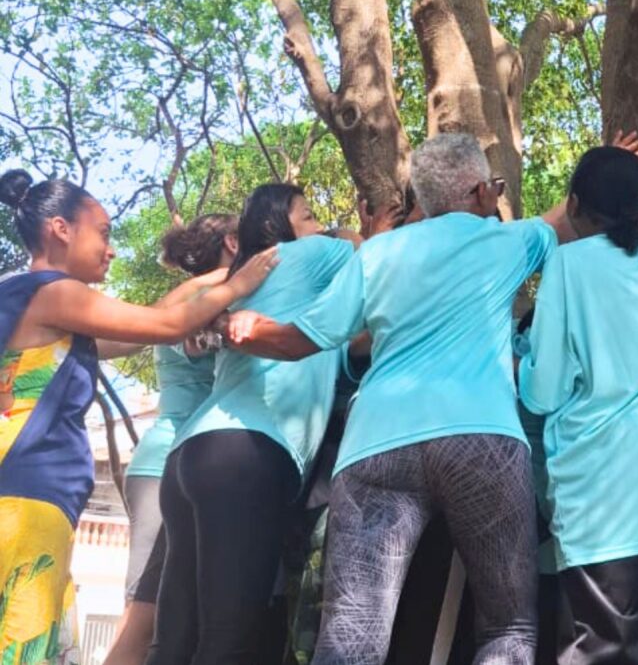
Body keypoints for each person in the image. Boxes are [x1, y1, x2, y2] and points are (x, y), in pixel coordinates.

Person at [227, 133, 560, 665]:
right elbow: (571, 217)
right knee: (508, 626)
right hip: (481, 438)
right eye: (495, 189)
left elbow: (298, 340)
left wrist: (244, 328)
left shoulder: (378, 252)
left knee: (352, 630)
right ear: (480, 192)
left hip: (376, 447)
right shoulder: (510, 241)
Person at [0, 169, 275, 662]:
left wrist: (213, 279)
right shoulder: (57, 292)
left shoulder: (20, 294)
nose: (111, 250)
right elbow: (166, 324)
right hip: (29, 493)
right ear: (61, 229)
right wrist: (239, 284)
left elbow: (138, 333)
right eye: (103, 233)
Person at [143, 184, 393, 665]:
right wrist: (362, 232)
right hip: (247, 455)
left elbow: (349, 343)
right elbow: (363, 250)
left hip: (190, 457)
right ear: (278, 225)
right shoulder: (306, 254)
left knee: (174, 641)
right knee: (228, 643)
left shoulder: (267, 286)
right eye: (309, 215)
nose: (319, 225)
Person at [517, 146, 638, 664]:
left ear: (573, 204)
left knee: (603, 650)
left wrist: (518, 364)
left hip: (602, 501)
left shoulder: (567, 264)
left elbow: (544, 391)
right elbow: (632, 247)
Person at [100, 213, 240, 665]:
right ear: (233, 243)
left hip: (176, 465)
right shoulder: (200, 301)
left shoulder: (197, 295)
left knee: (163, 617)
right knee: (142, 618)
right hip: (165, 466)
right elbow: (198, 339)